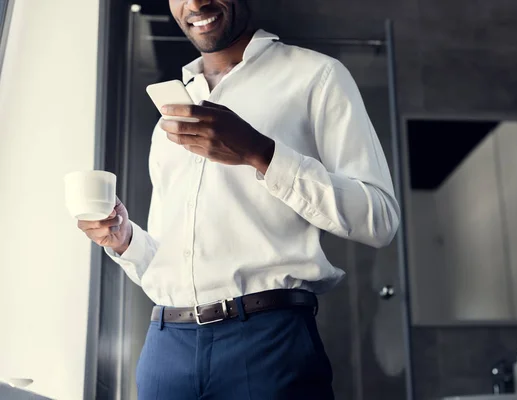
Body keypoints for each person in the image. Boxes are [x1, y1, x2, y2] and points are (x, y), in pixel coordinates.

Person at [78, 0, 400, 399]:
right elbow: (169, 260)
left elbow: (380, 218)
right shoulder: (170, 114)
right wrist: (125, 240)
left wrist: (260, 152)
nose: (196, 3)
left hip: (267, 345)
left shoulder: (317, 76)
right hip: (165, 346)